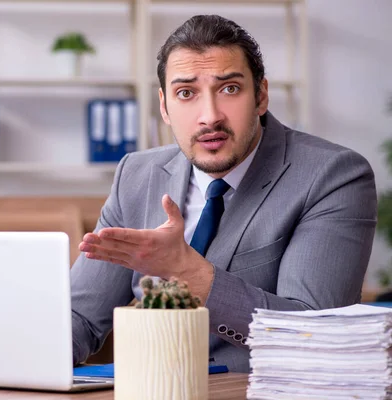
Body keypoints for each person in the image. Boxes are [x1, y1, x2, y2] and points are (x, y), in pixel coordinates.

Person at [70, 14, 378, 373]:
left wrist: (188, 272)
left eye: (230, 89)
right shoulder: (136, 175)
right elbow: (80, 319)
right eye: (186, 93)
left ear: (261, 95)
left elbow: (312, 336)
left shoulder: (332, 175)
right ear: (164, 107)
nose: (209, 116)